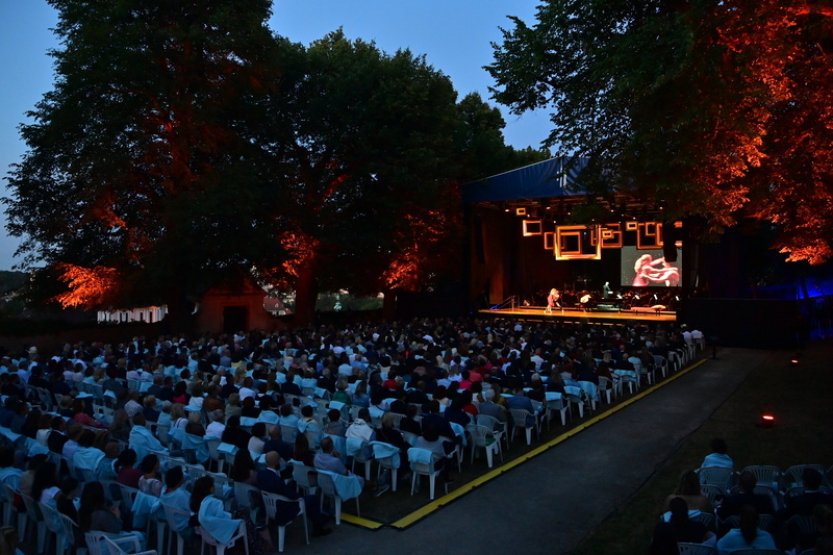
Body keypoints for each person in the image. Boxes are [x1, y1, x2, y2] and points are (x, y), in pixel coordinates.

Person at [191, 476, 245, 551]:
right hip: (218, 537)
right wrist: (232, 515)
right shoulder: (214, 502)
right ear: (211, 489)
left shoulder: (198, 503)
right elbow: (223, 520)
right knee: (246, 522)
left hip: (207, 536)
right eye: (213, 485)